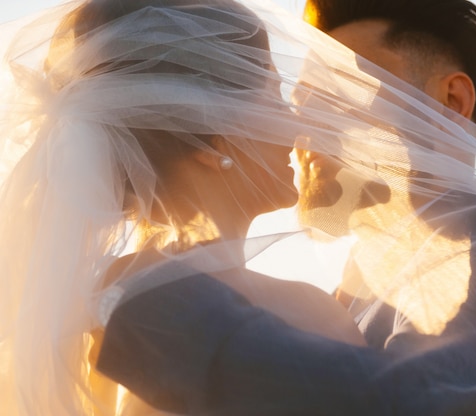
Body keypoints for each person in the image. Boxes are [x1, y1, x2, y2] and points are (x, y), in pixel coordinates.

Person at [92, 1, 476, 416]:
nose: (303, 127)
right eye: (300, 100)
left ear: (450, 105)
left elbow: (430, 402)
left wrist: (147, 310)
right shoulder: (348, 287)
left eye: (338, 94)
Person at [0, 0, 367, 414]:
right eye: (273, 95)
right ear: (213, 140)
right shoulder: (299, 315)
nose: (298, 126)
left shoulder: (90, 319)